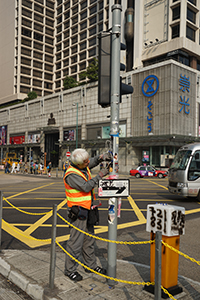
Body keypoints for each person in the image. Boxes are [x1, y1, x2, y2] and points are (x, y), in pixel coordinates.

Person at [63, 148, 112, 282]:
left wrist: (101, 157)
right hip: (78, 212)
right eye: (85, 162)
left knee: (89, 241)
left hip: (88, 210)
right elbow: (86, 186)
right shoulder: (71, 174)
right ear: (78, 163)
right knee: (75, 243)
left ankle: (90, 266)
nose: (88, 162)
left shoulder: (82, 166)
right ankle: (70, 270)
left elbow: (92, 162)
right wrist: (101, 175)